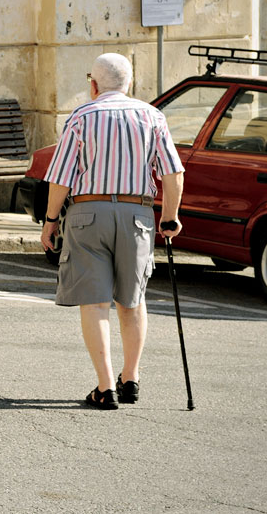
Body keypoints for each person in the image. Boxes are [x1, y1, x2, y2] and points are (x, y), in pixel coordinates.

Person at [39, 53, 184, 410]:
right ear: (129, 83)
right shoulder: (152, 116)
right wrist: (170, 217)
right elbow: (173, 173)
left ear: (93, 84)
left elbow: (61, 176)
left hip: (88, 211)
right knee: (132, 300)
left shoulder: (80, 117)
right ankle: (130, 377)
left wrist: (50, 220)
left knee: (95, 300)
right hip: (137, 213)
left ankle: (104, 387)